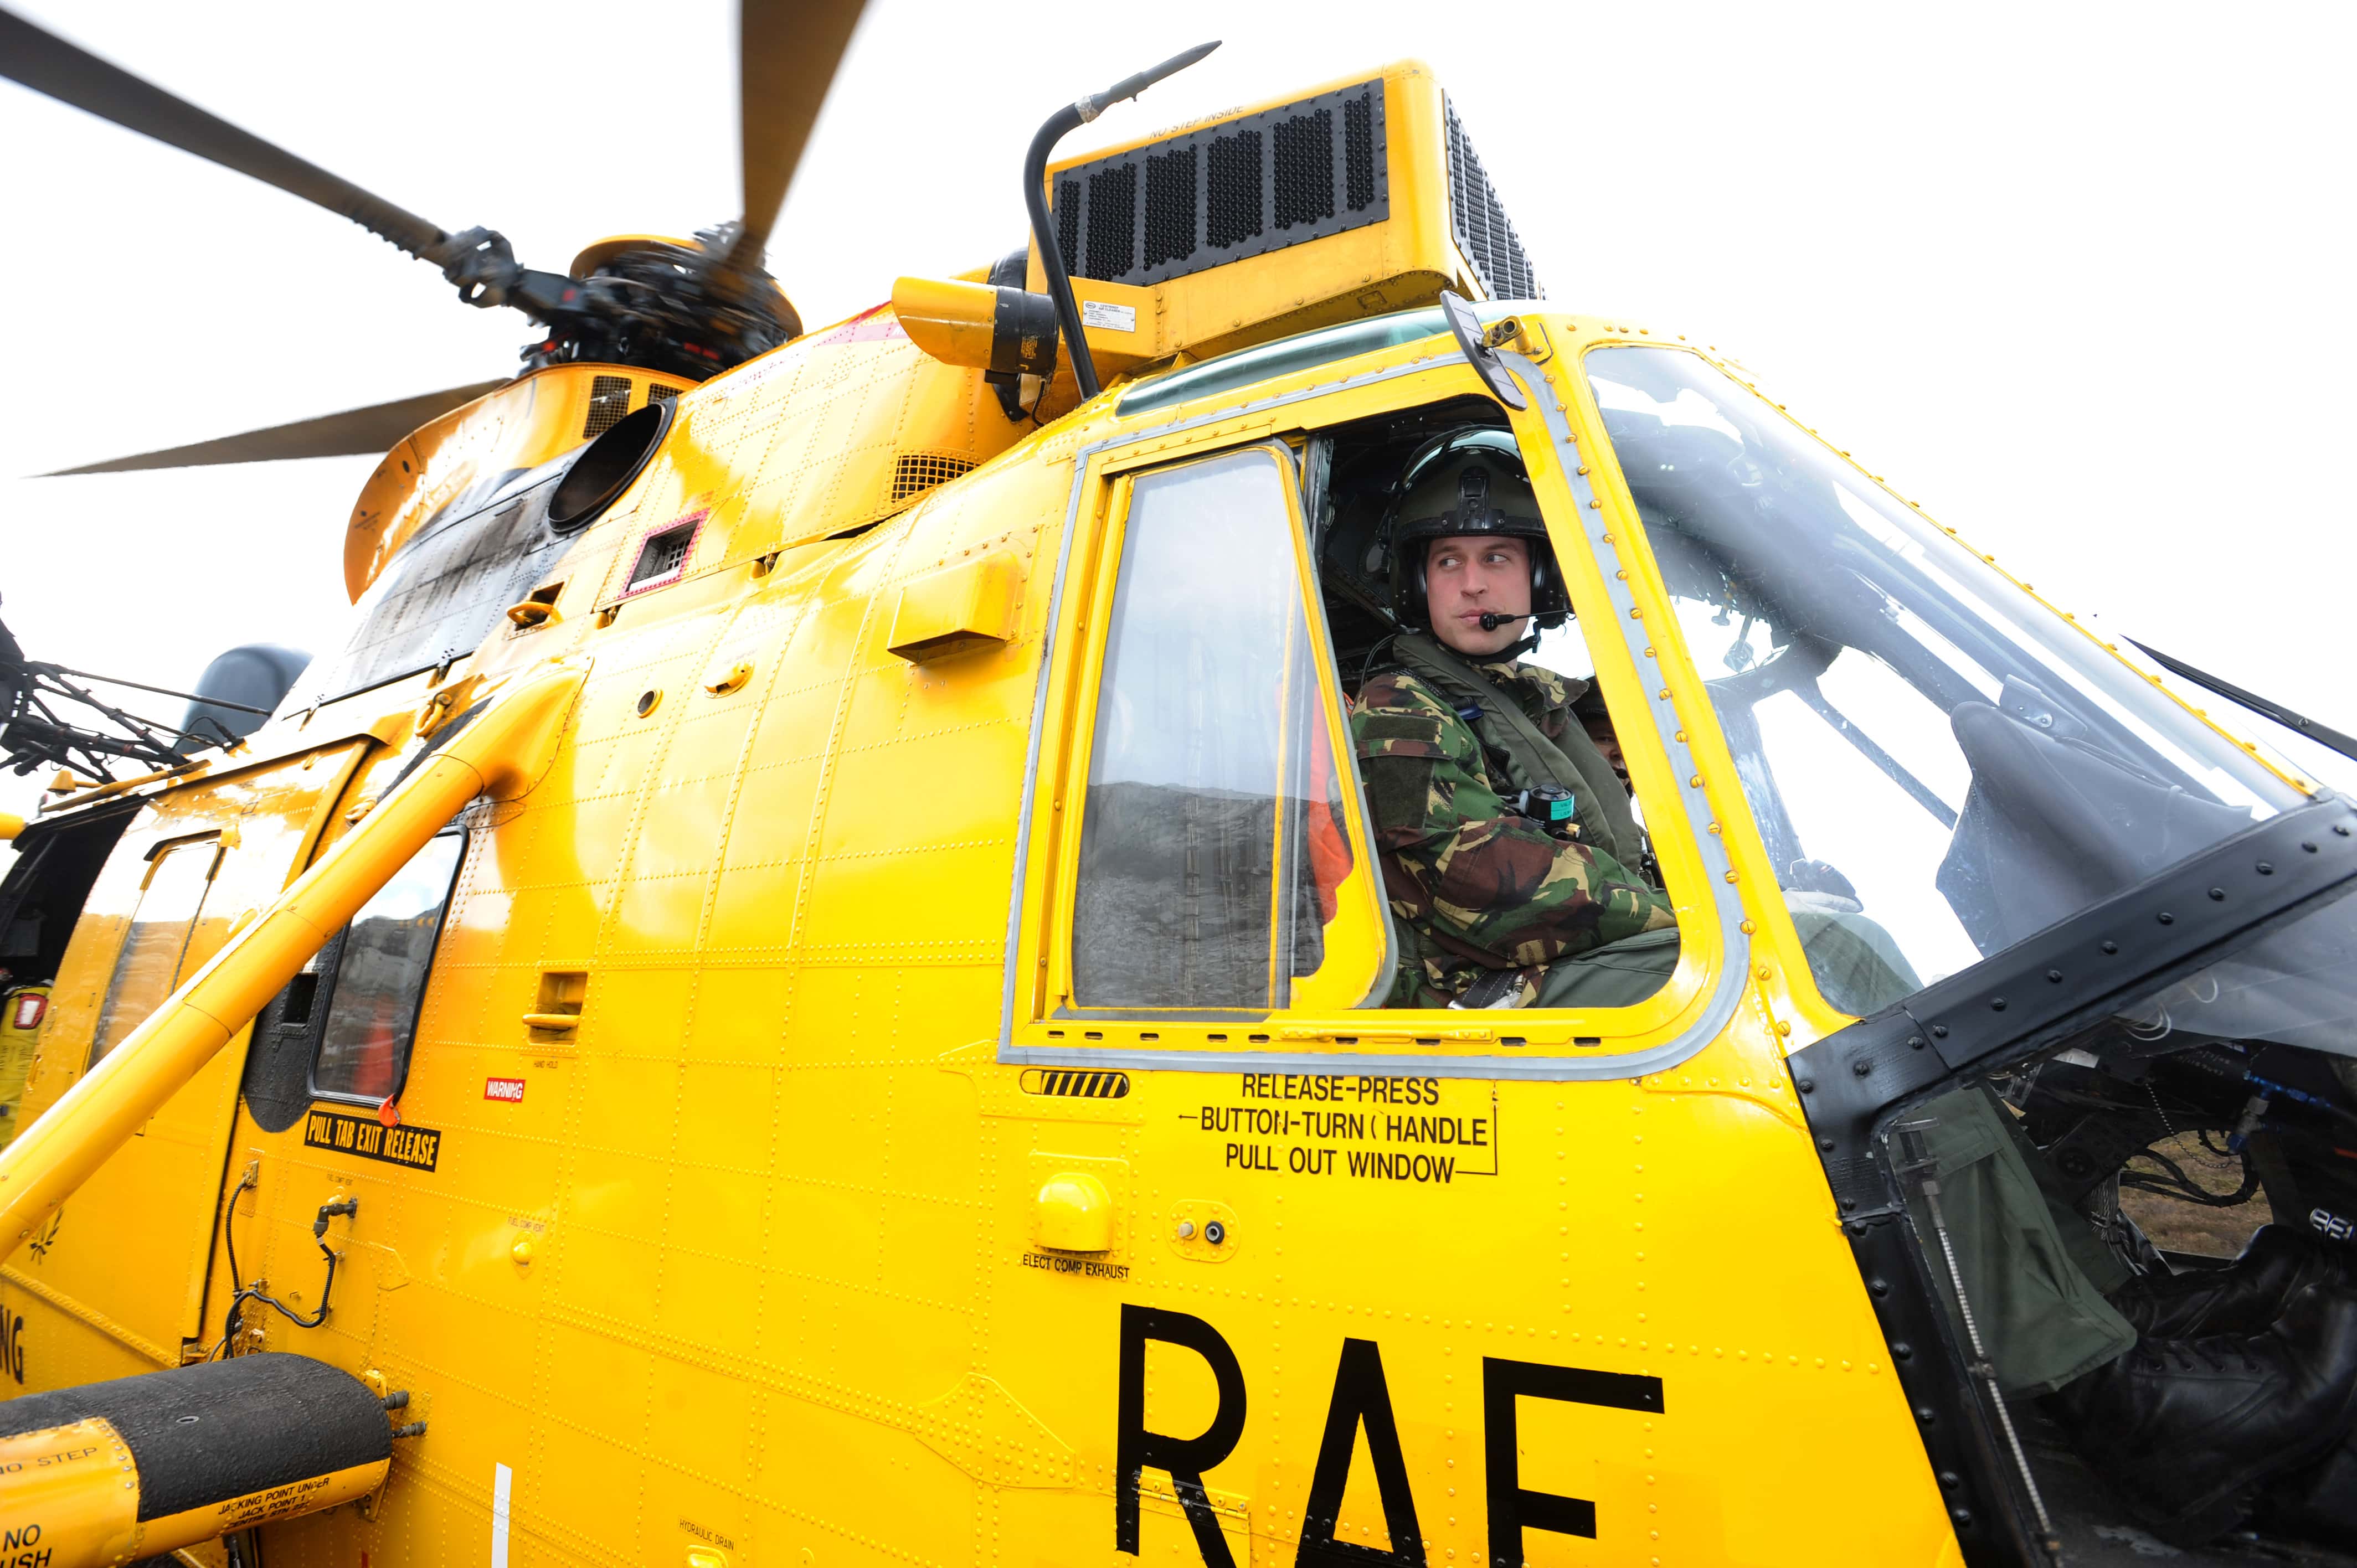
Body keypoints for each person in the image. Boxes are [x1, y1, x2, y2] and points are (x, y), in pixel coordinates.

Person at [1349, 430, 1679, 1010]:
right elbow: (1481, 887)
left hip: (1570, 957)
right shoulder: (1398, 709)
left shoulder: (1539, 702)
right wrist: (1685, 917)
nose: (1472, 583)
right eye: (1447, 561)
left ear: (1540, 579)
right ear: (1419, 585)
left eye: (1496, 557)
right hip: (1473, 989)